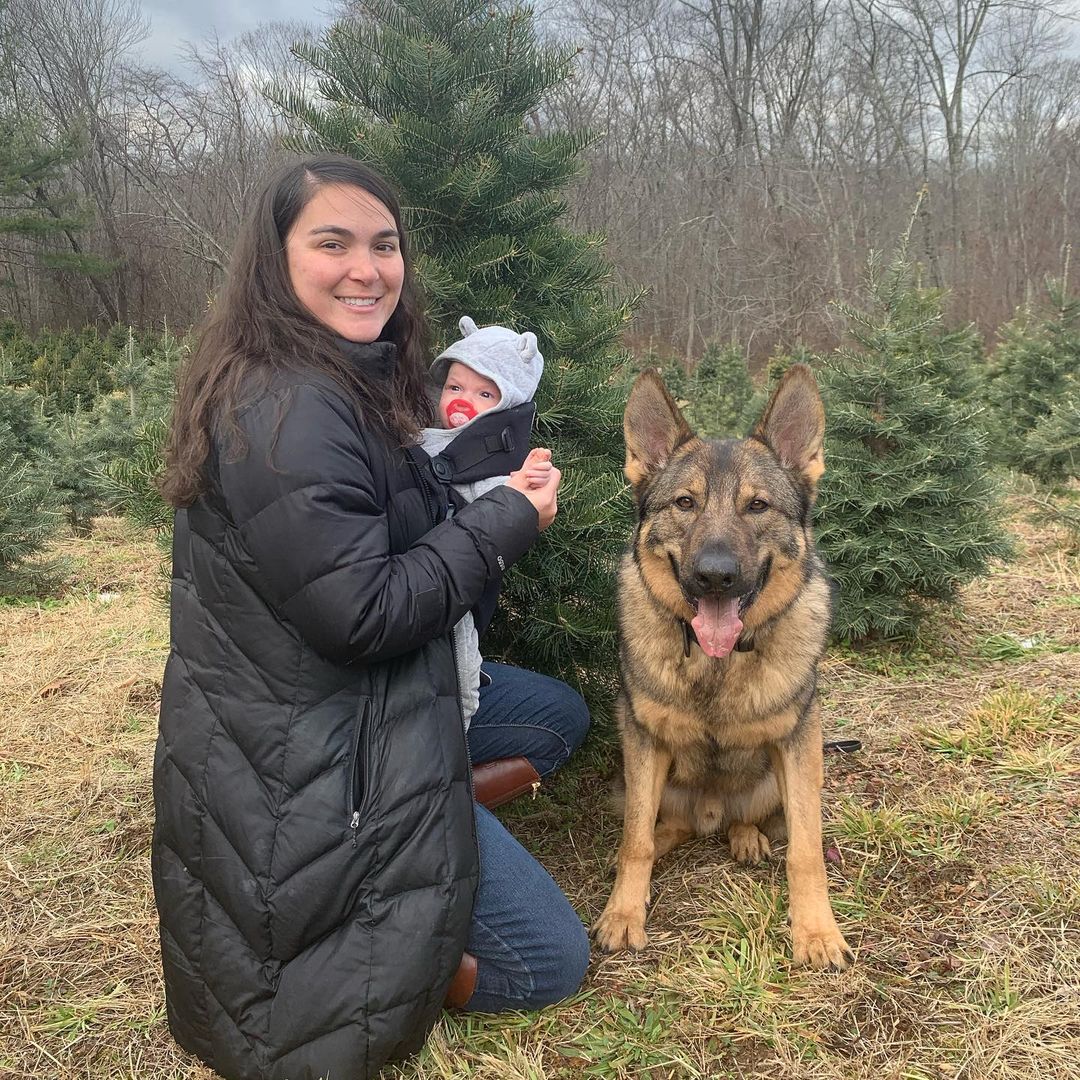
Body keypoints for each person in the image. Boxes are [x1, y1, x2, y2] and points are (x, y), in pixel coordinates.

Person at [153, 154, 591, 1080]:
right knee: (547, 963)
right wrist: (508, 521)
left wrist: (485, 476)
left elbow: (387, 525)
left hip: (350, 694)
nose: (366, 269)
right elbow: (364, 615)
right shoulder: (288, 407)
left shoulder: (346, 372)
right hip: (317, 748)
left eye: (384, 245)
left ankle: (443, 813)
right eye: (333, 243)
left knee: (555, 716)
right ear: (276, 259)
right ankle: (403, 895)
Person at [420, 315, 552, 727]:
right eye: (455, 388)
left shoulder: (494, 464)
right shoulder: (419, 436)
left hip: (453, 595)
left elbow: (505, 500)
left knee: (462, 661)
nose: (463, 401)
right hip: (418, 579)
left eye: (484, 394)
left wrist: (527, 485)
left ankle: (459, 724)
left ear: (508, 404)